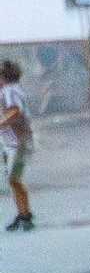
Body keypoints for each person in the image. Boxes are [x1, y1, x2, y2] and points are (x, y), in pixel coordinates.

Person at [0, 60, 35, 233]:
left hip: (18, 143)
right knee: (13, 180)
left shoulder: (9, 90)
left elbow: (15, 110)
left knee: (14, 179)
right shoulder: (12, 89)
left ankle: (26, 214)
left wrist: (1, 123)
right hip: (14, 142)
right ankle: (22, 212)